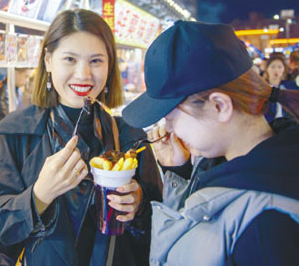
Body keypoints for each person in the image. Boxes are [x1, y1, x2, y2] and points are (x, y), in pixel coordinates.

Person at [0, 9, 162, 265]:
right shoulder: (16, 132)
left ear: (110, 66)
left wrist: (140, 205)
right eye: (70, 59)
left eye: (96, 61)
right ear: (48, 61)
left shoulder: (131, 136)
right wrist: (38, 196)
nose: (84, 74)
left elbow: (159, 230)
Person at [122, 21, 299, 265]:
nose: (169, 128)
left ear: (220, 106)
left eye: (171, 117)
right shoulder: (244, 166)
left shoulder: (268, 227)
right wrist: (179, 171)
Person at [0, 68, 31, 145]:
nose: (27, 81)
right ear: (15, 73)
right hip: (0, 143)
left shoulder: (16, 90)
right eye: (26, 77)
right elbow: (10, 118)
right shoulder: (2, 91)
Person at [262, 54, 298, 121]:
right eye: (273, 67)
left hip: (289, 124)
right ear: (267, 69)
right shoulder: (262, 88)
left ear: (284, 70)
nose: (276, 70)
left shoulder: (290, 86)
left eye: (279, 67)